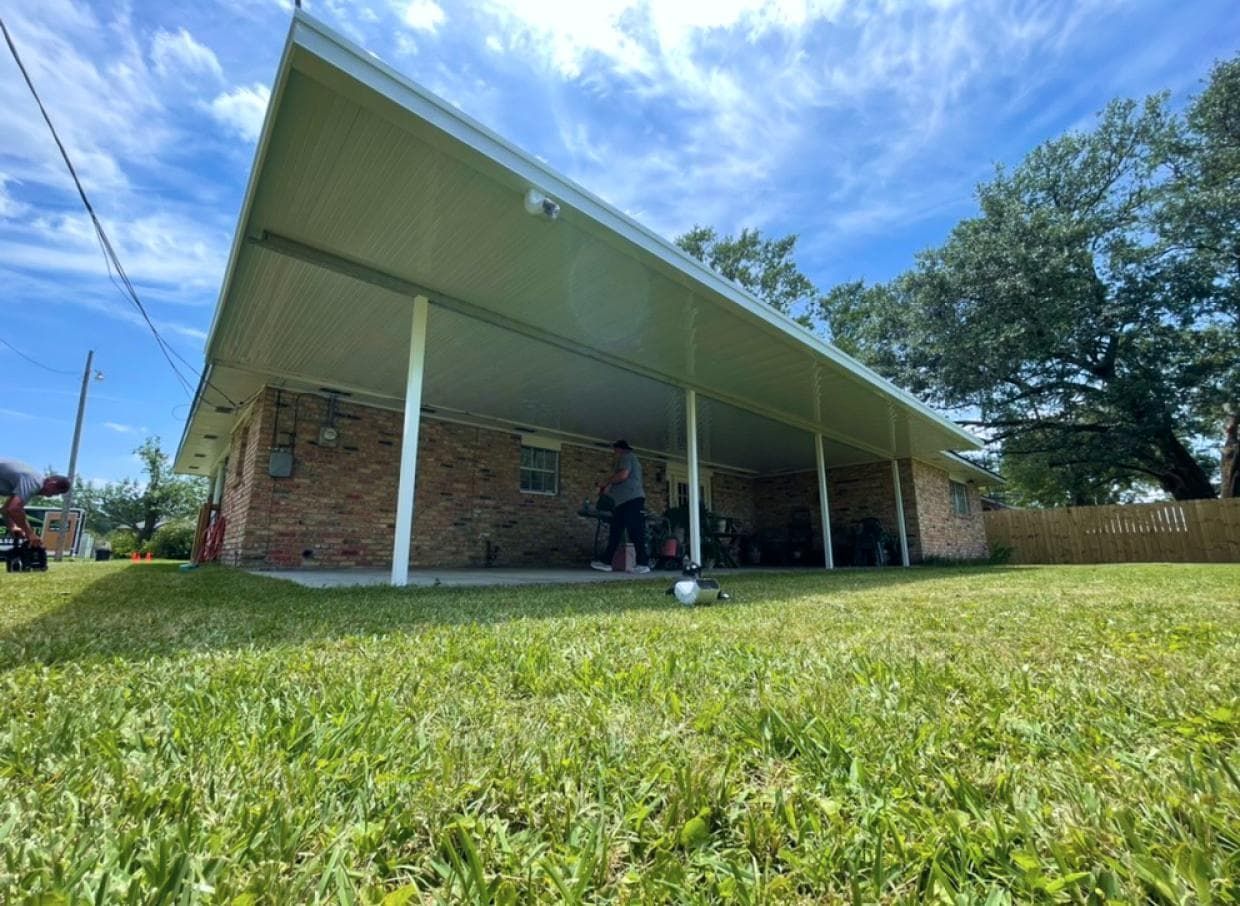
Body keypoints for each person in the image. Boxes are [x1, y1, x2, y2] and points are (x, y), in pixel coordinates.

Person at [591, 440, 651, 573]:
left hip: (632, 500)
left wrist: (607, 481)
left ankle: (643, 563)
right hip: (622, 502)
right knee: (616, 531)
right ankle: (606, 562)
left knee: (635, 530)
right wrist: (605, 487)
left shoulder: (627, 457)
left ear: (619, 449)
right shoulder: (626, 460)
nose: (614, 453)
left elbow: (623, 475)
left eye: (615, 450)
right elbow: (615, 484)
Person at [1, 459, 70, 550]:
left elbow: (6, 510)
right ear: (52, 484)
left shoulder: (31, 482)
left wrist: (13, 527)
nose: (51, 496)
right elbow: (15, 509)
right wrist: (30, 534)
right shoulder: (34, 483)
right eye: (55, 492)